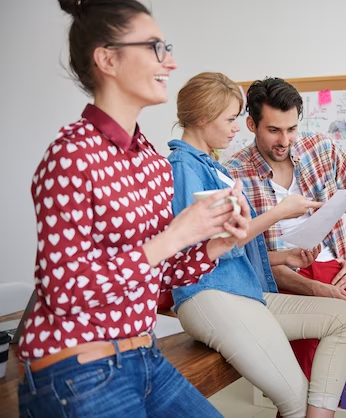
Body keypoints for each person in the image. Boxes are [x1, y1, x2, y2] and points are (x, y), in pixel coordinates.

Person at [18, 1, 250, 417]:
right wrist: (177, 234)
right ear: (107, 59)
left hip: (144, 355)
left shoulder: (150, 162)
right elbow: (64, 291)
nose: (172, 62)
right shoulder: (71, 156)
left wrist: (216, 241)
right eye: (156, 48)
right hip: (78, 368)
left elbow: (162, 273)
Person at [167, 72, 346, 418]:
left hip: (243, 291)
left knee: (345, 317)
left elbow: (236, 247)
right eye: (229, 119)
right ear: (201, 118)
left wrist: (284, 256)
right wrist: (279, 213)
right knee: (294, 399)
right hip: (212, 295)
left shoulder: (210, 166)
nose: (234, 128)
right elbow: (216, 248)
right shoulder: (184, 166)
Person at [225, 77, 346, 418]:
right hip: (282, 280)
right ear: (251, 124)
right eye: (274, 131)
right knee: (303, 381)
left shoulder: (320, 148)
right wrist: (313, 289)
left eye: (292, 129)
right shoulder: (234, 174)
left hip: (335, 269)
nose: (285, 141)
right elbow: (247, 256)